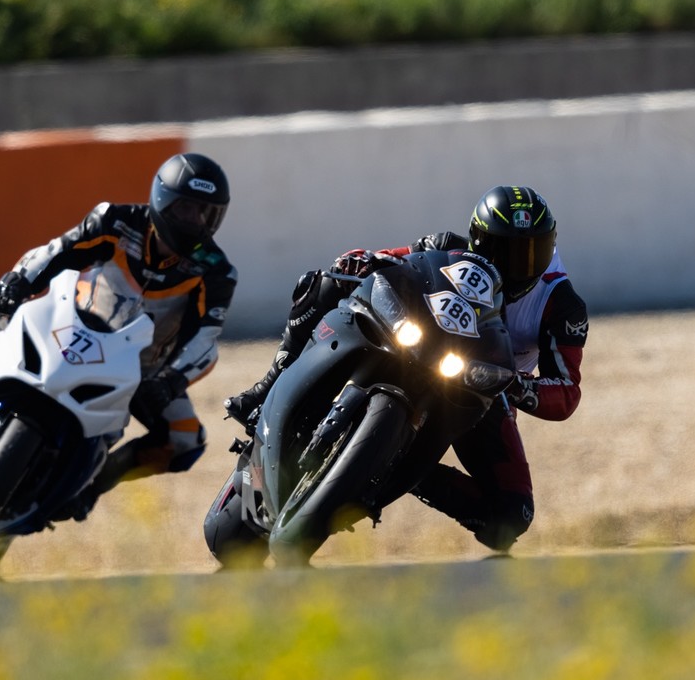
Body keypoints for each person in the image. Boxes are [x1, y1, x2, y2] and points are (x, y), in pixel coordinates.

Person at [223, 185, 587, 552]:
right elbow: (390, 260)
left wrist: (517, 386)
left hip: (482, 386)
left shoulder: (561, 303)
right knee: (324, 283)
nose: (516, 267)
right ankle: (267, 387)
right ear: (477, 240)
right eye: (502, 251)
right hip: (408, 340)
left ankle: (398, 468)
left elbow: (567, 391)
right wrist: (362, 261)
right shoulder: (447, 246)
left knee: (511, 515)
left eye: (530, 254)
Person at [0, 152, 238, 520]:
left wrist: (171, 380)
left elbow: (206, 338)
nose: (194, 221)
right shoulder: (116, 220)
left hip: (141, 370)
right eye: (185, 209)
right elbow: (57, 251)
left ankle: (93, 484)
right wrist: (14, 283)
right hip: (73, 329)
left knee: (184, 440)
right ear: (161, 201)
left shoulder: (218, 271)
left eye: (206, 213)